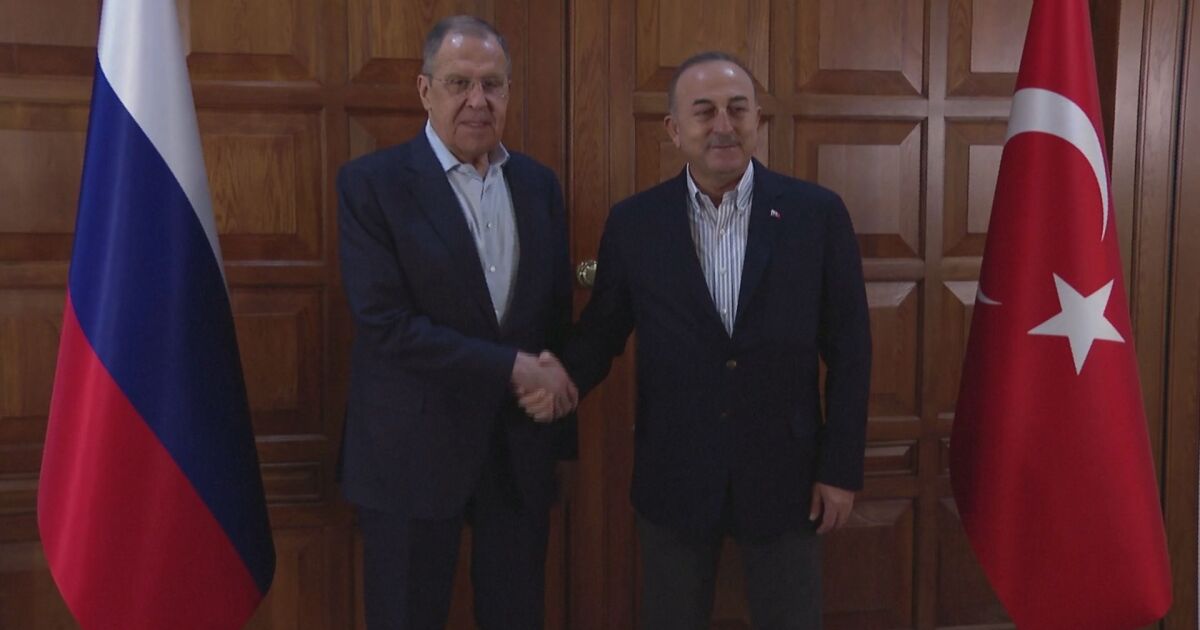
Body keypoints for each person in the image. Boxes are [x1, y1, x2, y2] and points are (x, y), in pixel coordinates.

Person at [527, 51, 871, 629]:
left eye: (738, 109)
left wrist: (840, 468)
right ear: (673, 128)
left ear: (757, 118)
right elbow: (603, 333)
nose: (723, 126)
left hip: (787, 475)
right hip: (675, 473)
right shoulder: (635, 223)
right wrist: (560, 378)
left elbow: (851, 350)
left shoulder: (817, 215)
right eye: (705, 111)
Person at [336, 15, 576, 629]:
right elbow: (386, 323)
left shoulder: (539, 186)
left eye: (492, 84)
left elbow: (552, 313)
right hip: (410, 456)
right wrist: (514, 367)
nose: (478, 100)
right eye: (459, 83)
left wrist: (555, 391)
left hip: (516, 455)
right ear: (425, 90)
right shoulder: (372, 185)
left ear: (509, 92)